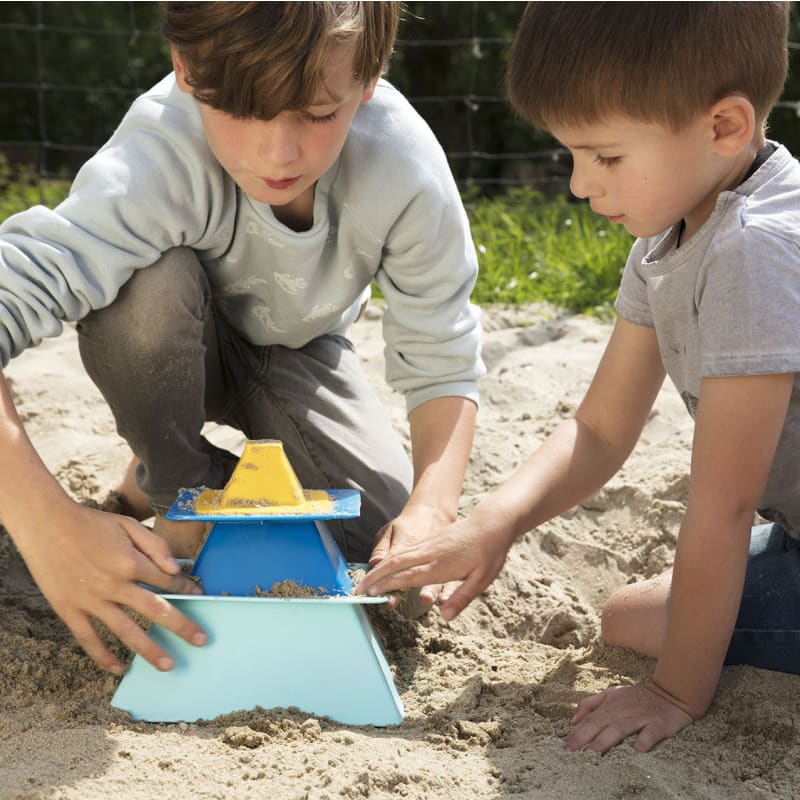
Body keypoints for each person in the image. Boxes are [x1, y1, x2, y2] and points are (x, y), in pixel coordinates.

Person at [357, 1, 798, 754]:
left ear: (724, 125)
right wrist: (493, 524)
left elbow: (722, 510)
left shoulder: (753, 252)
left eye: (607, 157)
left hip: (757, 523)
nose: (577, 185)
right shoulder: (678, 225)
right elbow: (599, 428)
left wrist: (674, 696)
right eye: (571, 153)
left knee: (638, 623)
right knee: (635, 614)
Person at [0, 3, 483, 678]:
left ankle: (167, 486)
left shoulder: (402, 165)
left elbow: (443, 356)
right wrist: (43, 519)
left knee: (379, 548)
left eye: (318, 113)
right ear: (188, 71)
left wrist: (434, 508)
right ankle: (178, 489)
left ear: (368, 78)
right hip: (165, 340)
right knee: (145, 290)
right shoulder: (155, 155)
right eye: (244, 111)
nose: (279, 152)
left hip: (301, 354)